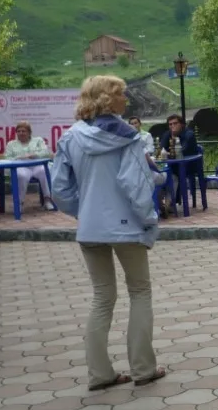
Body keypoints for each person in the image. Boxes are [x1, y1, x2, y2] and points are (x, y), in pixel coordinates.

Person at [51, 75, 168, 390]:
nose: (126, 99)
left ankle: (100, 374)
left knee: (102, 297)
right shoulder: (129, 136)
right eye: (121, 94)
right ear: (106, 98)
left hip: (90, 228)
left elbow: (59, 189)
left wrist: (85, 210)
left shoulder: (70, 136)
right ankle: (143, 369)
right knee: (140, 291)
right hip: (127, 226)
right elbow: (136, 184)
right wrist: (148, 219)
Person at [3, 121, 57, 211]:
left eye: (23, 131)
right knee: (21, 175)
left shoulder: (38, 140)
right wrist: (19, 157)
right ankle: (19, 203)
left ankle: (47, 200)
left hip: (37, 166)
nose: (21, 133)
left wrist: (35, 155)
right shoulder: (11, 144)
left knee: (44, 170)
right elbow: (7, 158)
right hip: (21, 167)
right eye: (18, 131)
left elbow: (46, 152)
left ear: (29, 132)